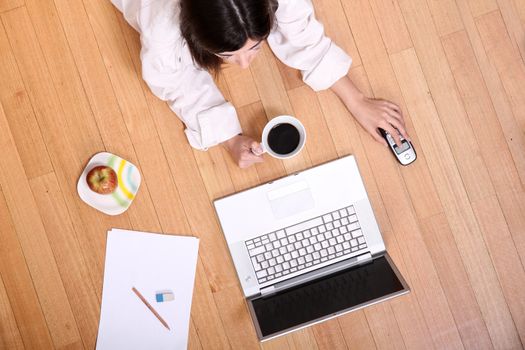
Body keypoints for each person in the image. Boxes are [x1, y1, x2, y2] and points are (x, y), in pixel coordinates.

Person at [112, 0, 409, 168]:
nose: (243, 65)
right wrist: (228, 137)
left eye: (255, 47)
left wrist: (356, 100)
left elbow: (301, 30)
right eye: (229, 55)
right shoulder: (163, 25)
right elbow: (172, 80)